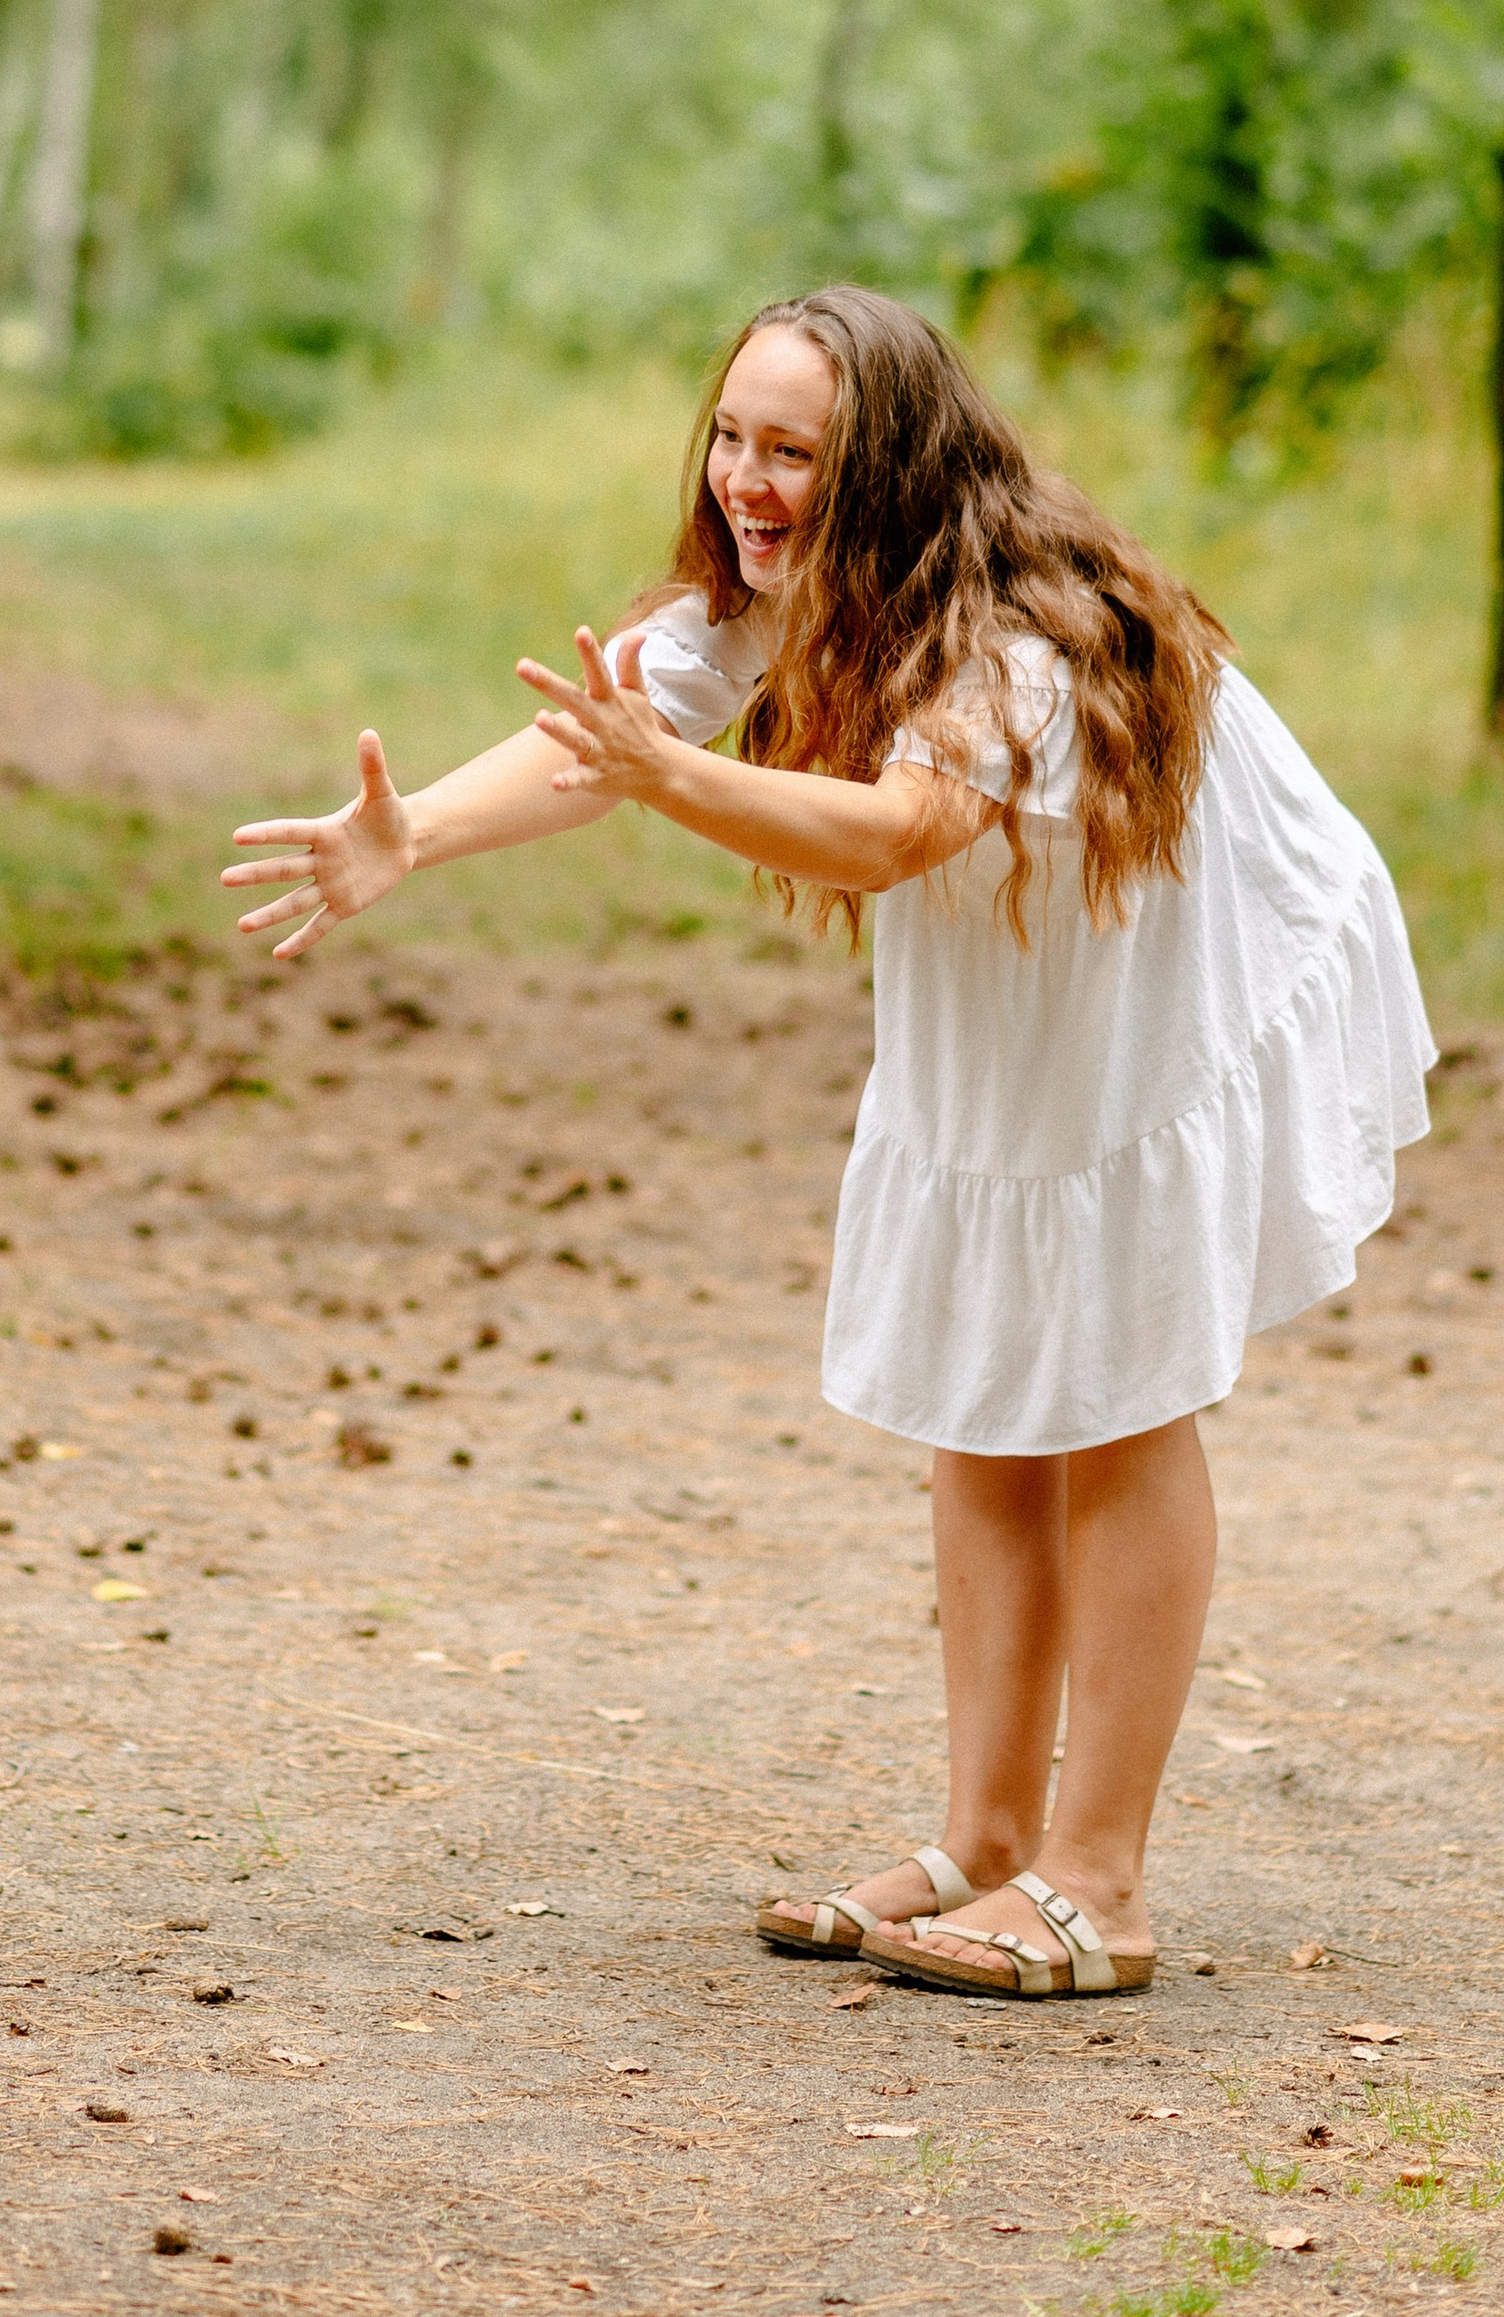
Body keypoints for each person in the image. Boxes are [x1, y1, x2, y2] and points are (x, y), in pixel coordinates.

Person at [223, 288, 1434, 2002]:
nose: (747, 479)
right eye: (731, 438)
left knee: (1121, 1385)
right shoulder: (781, 590)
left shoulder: (1022, 634)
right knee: (983, 1377)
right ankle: (990, 1840)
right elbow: (611, 736)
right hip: (1032, 968)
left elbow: (891, 833)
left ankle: (1102, 1883)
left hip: (1190, 956)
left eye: (794, 451)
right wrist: (411, 835)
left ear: (892, 462)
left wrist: (665, 779)